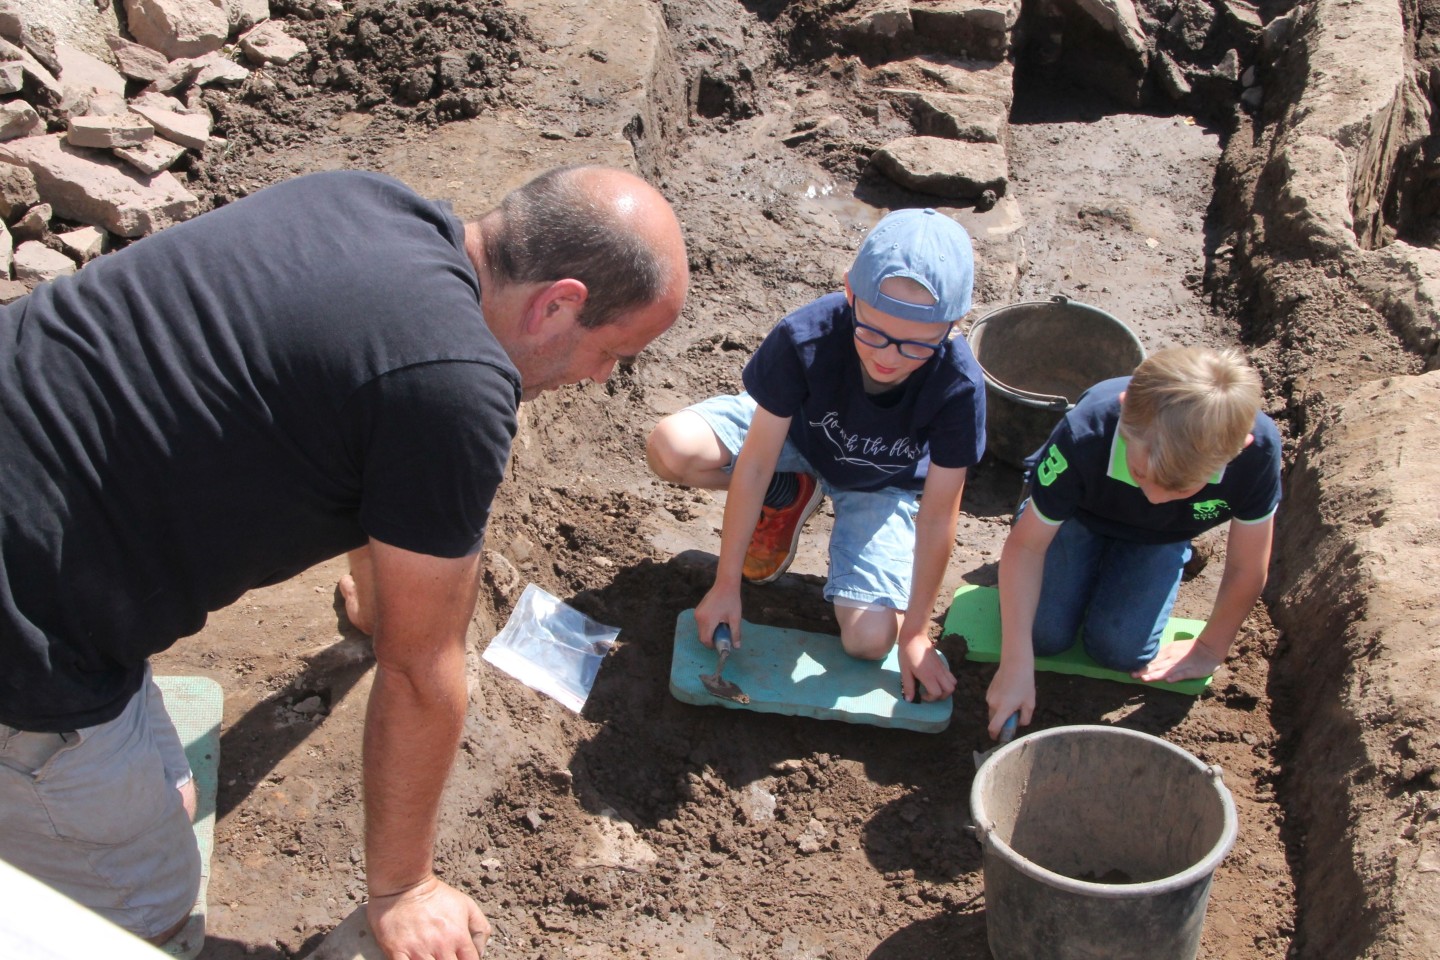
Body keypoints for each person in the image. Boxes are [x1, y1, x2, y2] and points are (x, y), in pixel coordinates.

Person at [0, 165, 688, 960]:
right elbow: (420, 669)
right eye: (613, 351)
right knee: (143, 909)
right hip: (28, 634)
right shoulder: (458, 389)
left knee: (172, 794)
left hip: (42, 502)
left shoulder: (367, 203)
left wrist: (374, 594)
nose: (601, 378)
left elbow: (361, 425)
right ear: (559, 304)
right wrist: (404, 888)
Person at [646, 207, 986, 703]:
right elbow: (758, 459)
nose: (889, 357)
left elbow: (938, 517)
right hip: (796, 440)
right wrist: (725, 585)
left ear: (952, 325)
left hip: (881, 484)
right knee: (672, 448)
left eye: (915, 346)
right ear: (850, 294)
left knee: (870, 641)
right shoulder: (807, 336)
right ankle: (791, 493)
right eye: (873, 333)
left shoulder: (959, 385)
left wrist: (915, 634)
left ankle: (813, 508)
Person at [984, 346, 1281, 739]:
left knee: (1121, 650)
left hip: (1164, 535)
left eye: (1180, 489)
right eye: (1140, 474)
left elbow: (1246, 566)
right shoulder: (1088, 431)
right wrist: (1015, 662)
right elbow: (1027, 548)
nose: (1155, 498)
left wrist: (1210, 648)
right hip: (1076, 518)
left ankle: (1174, 555)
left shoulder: (1257, 455)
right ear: (1125, 413)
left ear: (1237, 449)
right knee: (1043, 635)